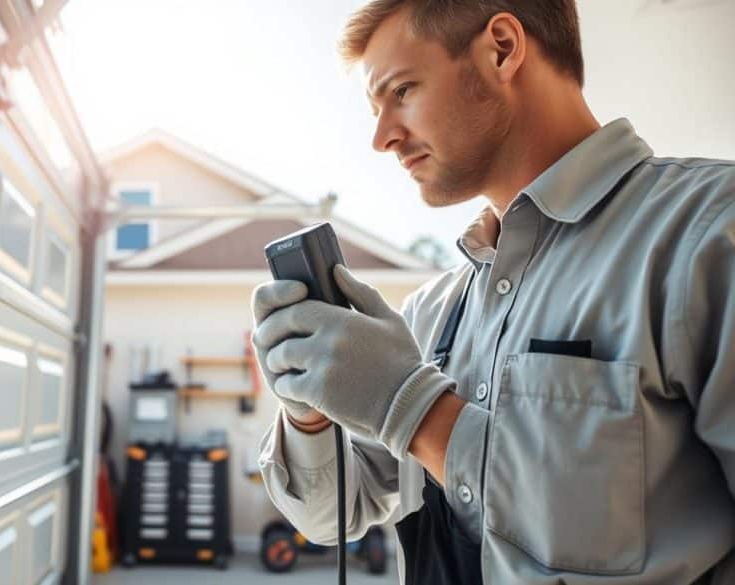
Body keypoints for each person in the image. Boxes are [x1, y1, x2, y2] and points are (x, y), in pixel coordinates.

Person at [252, 1, 735, 583]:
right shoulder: (431, 313)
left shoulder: (710, 236)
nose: (382, 138)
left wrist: (417, 411)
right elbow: (336, 516)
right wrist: (306, 411)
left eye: (402, 90)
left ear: (502, 48)